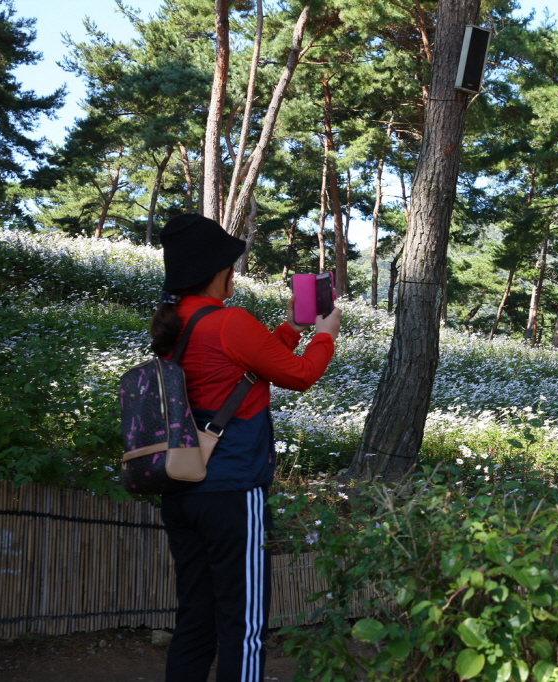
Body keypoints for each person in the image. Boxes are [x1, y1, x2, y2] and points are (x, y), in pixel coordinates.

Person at [152, 214, 340, 682]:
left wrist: (294, 328)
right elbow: (299, 375)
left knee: (195, 618)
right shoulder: (229, 322)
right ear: (219, 271)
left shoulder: (175, 324)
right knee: (245, 624)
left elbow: (248, 363)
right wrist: (325, 334)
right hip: (233, 490)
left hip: (182, 488)